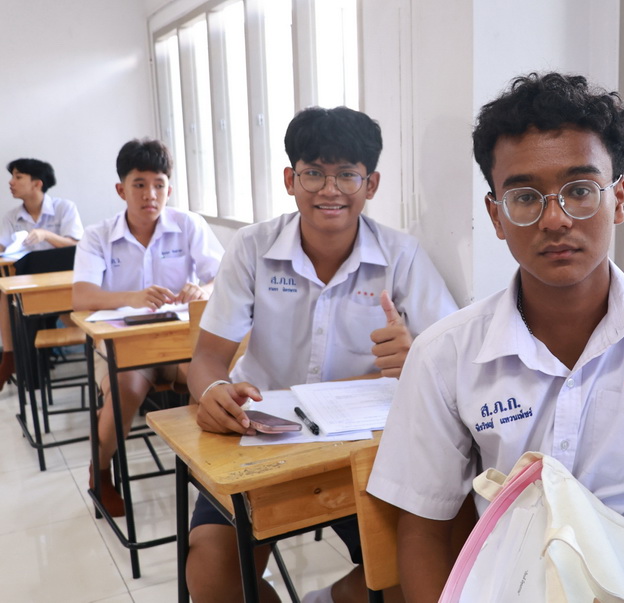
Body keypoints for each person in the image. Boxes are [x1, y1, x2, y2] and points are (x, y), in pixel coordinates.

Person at [367, 72, 624, 601]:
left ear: (618, 199)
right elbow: (424, 528)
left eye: (580, 191)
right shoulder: (445, 355)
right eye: (525, 197)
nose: (555, 220)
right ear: (496, 215)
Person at [186, 105, 458, 603]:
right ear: (291, 180)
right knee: (212, 574)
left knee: (409, 571)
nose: (330, 190)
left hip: (362, 450)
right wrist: (213, 391)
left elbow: (453, 364)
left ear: (371, 184)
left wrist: (416, 357)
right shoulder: (252, 247)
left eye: (347, 175)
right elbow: (206, 357)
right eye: (313, 173)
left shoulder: (401, 256)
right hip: (260, 435)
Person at [72, 138, 223, 517]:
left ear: (169, 189)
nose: (150, 194)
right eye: (139, 184)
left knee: (210, 383)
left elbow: (223, 277)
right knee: (125, 389)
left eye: (158, 184)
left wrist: (202, 290)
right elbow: (82, 296)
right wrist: (133, 297)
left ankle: (207, 475)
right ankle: (100, 471)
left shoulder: (188, 225)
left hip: (180, 344)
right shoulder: (98, 235)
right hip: (124, 348)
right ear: (121, 189)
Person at [0, 158, 84, 388]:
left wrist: (46, 235)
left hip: (63, 286)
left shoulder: (64, 208)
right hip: (27, 286)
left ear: (37, 183)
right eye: (12, 176)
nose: (11, 182)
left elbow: (77, 245)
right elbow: (4, 249)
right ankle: (10, 356)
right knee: (5, 291)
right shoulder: (11, 217)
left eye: (18, 177)